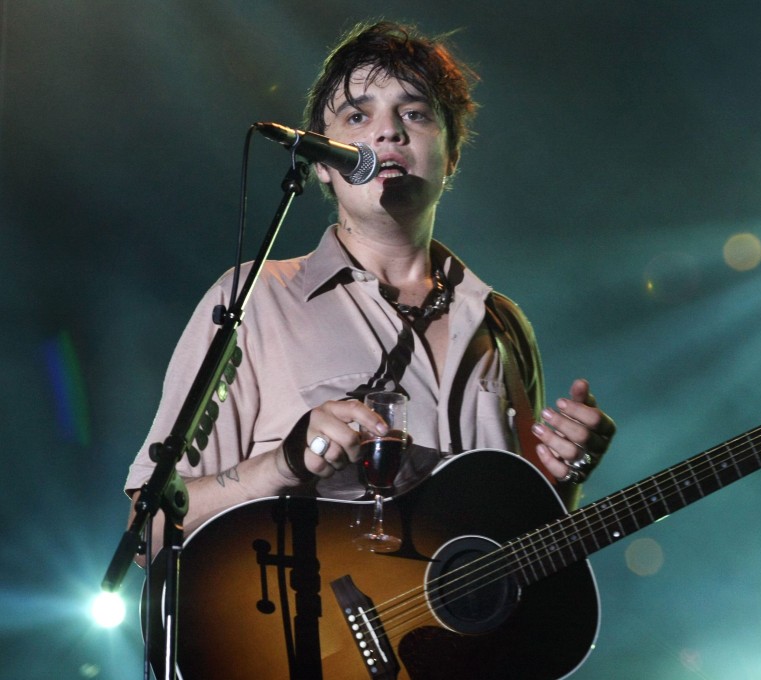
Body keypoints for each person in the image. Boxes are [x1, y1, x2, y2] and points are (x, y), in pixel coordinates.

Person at [124, 20, 616, 553]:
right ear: (322, 166)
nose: (388, 132)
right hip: (315, 632)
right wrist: (283, 465)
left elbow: (520, 547)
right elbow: (147, 527)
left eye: (415, 113)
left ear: (451, 155)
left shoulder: (501, 325)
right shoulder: (253, 301)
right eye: (358, 115)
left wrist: (562, 481)